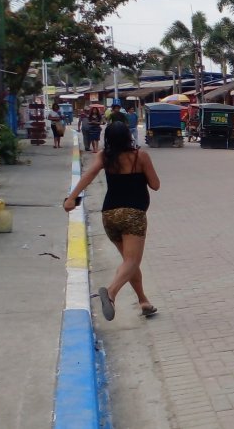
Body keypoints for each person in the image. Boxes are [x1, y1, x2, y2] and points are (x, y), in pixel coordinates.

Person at [63, 122, 161, 321]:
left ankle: (143, 301)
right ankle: (111, 293)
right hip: (133, 214)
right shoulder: (140, 157)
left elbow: (89, 175)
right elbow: (155, 185)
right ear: (128, 137)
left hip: (109, 215)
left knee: (128, 262)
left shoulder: (104, 157)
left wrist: (71, 197)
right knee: (132, 262)